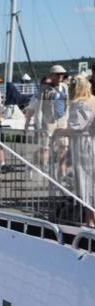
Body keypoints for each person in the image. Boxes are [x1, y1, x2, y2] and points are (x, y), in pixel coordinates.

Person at [60, 74, 95, 228]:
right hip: (92, 141)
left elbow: (76, 127)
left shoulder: (78, 103)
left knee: (86, 182)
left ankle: (90, 220)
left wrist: (60, 132)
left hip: (82, 145)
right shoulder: (94, 99)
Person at [25, 65, 70, 174]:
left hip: (62, 122)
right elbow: (39, 109)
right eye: (58, 74)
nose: (60, 76)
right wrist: (39, 126)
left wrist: (67, 121)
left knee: (63, 148)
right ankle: (32, 165)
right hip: (48, 122)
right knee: (45, 148)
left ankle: (61, 174)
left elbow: (67, 105)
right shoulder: (44, 90)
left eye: (62, 74)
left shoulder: (65, 87)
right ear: (52, 75)